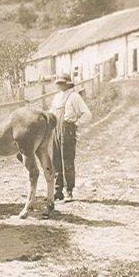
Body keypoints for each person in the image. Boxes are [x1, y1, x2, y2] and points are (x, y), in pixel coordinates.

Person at [50, 73, 92, 203]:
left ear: (68, 83)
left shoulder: (74, 96)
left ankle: (69, 192)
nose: (60, 85)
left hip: (67, 131)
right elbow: (51, 114)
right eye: (58, 83)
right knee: (55, 160)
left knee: (67, 160)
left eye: (62, 83)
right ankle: (58, 191)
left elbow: (87, 114)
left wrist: (76, 125)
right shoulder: (56, 97)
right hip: (55, 130)